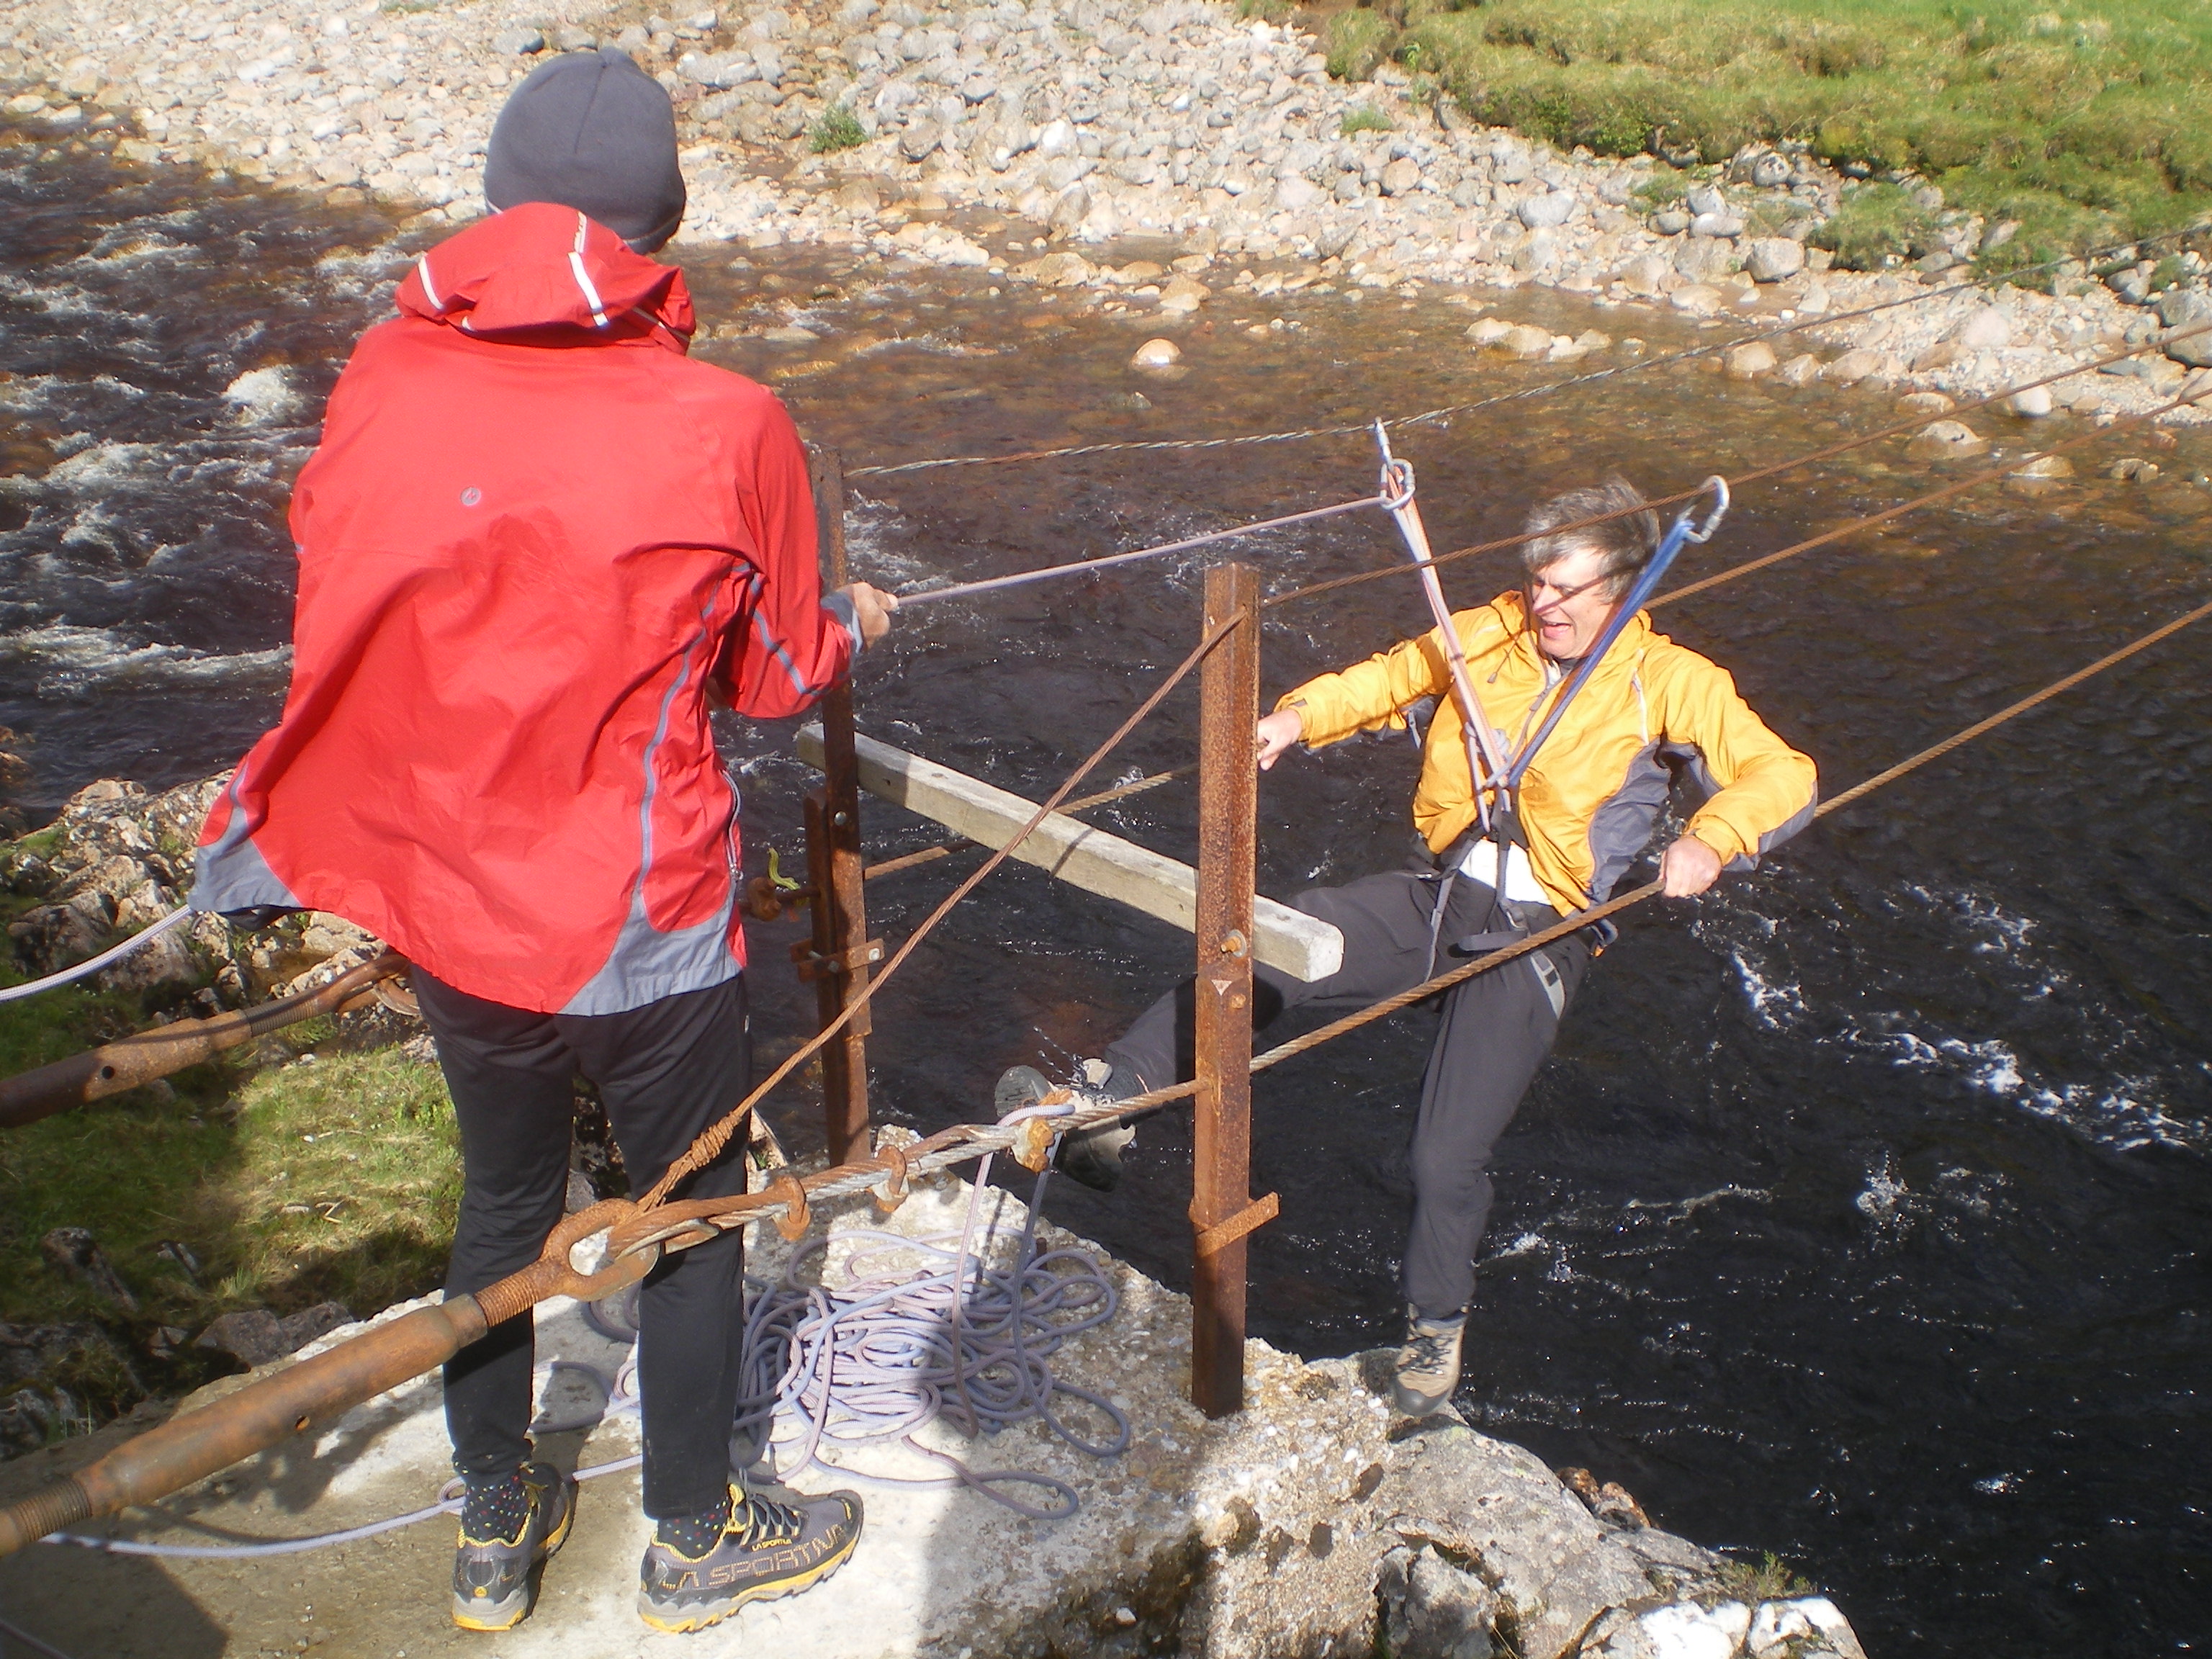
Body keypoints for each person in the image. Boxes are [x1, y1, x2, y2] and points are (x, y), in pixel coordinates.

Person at [191, 49, 897, 1637]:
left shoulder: (382, 369)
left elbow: (360, 576)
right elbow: (776, 678)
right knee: (691, 1209)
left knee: (504, 1205)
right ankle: (698, 1531)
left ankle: (493, 1528)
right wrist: (851, 618)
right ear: (664, 226)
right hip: (634, 916)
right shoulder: (731, 422)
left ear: (499, 197)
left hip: (445, 896)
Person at [1001, 477, 1815, 1417]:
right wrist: (1296, 720)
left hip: (1541, 934)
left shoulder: (1674, 683)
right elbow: (1392, 676)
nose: (1544, 605)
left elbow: (1782, 774)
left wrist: (1712, 839)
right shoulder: (1492, 630)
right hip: (1441, 898)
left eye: (1568, 590)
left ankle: (1436, 1327)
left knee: (1443, 1157)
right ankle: (1111, 1104)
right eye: (1538, 583)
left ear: (1629, 587)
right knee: (1266, 947)